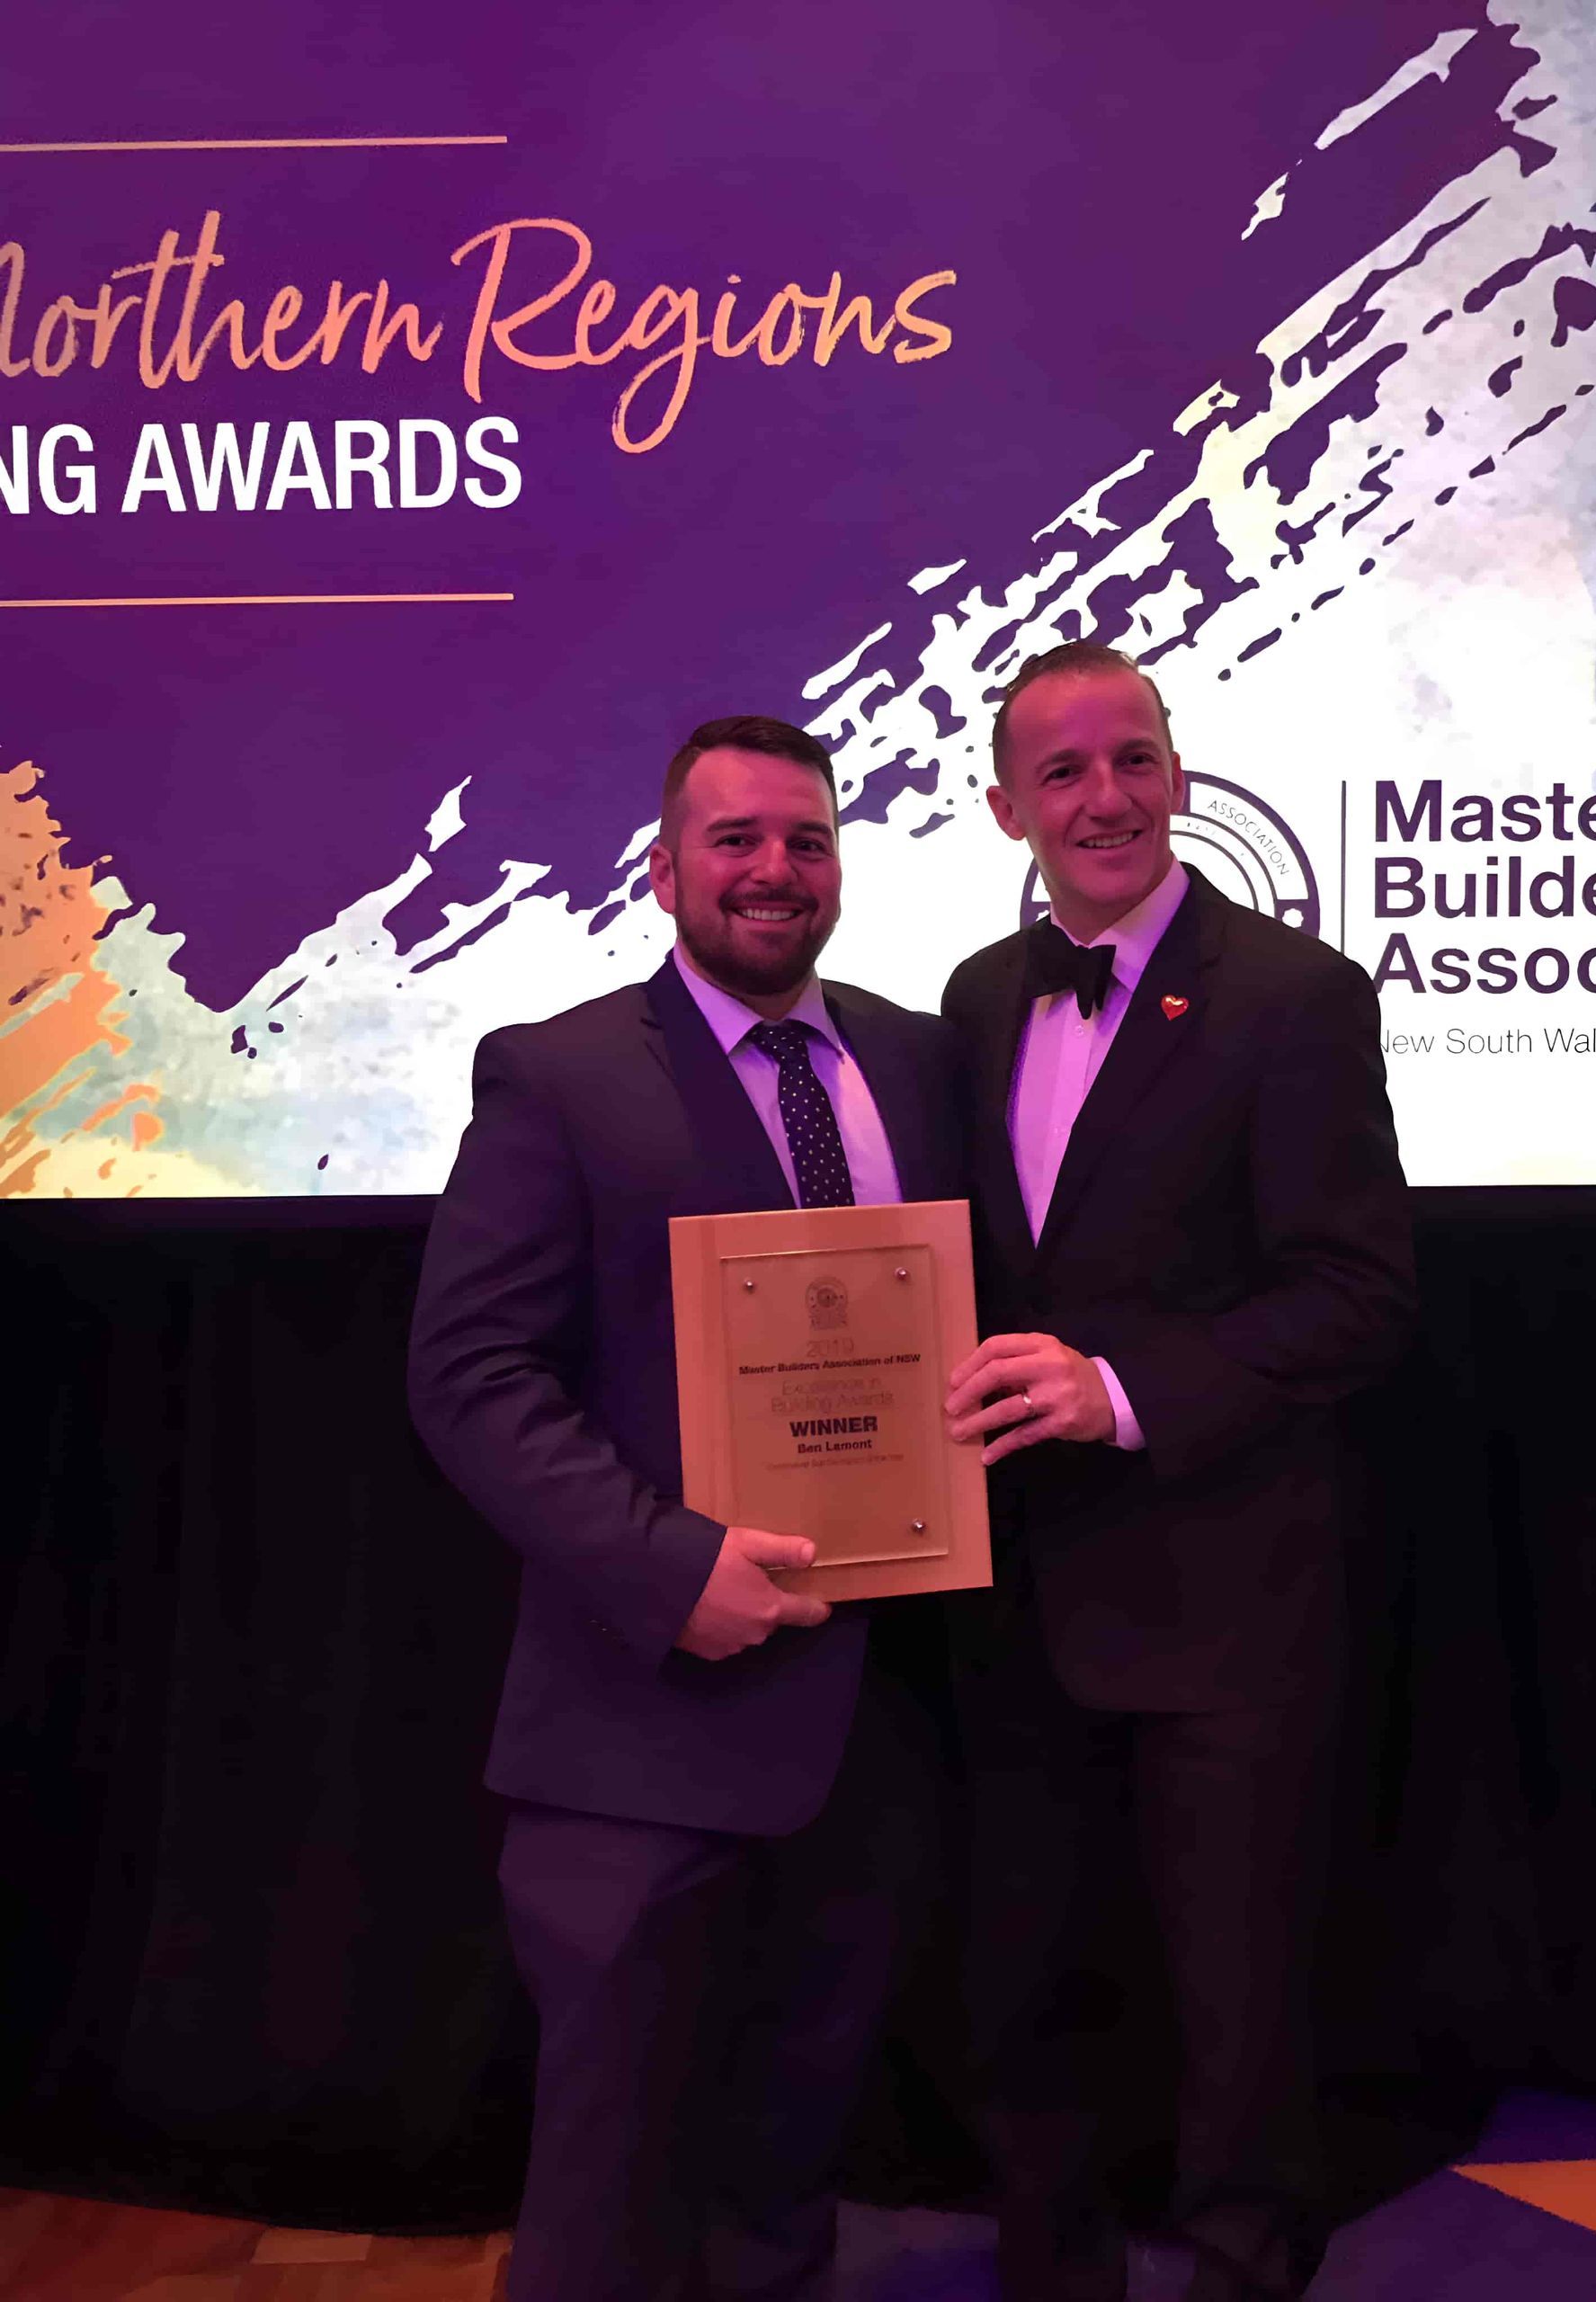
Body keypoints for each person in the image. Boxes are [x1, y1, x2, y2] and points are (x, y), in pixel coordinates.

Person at [408, 715, 961, 2302]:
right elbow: (470, 1375)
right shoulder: (558, 1073)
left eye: (806, 839)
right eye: (735, 841)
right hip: (638, 1727)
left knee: (791, 2159)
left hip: (872, 1726)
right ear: (663, 872)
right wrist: (668, 1566)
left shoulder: (913, 1059)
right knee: (610, 2182)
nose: (774, 871)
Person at [941, 642, 1415, 2302]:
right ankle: (1048, 2259)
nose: (1105, 797)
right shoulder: (978, 998)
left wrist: (1122, 1390)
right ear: (1006, 805)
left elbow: (1360, 1294)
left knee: (1237, 1985)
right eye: (1062, 771)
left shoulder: (1296, 995)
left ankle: (1237, 2256)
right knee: (1028, 1968)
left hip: (1230, 1583)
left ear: (1183, 779)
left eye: (1132, 758)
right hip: (1015, 1592)